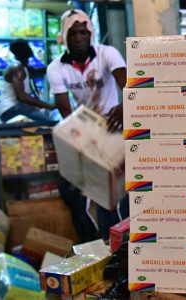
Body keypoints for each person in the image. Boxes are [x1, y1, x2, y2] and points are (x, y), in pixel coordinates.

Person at [47, 8, 128, 242]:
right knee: (78, 190)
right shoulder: (56, 68)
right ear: (64, 36)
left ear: (90, 33)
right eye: (74, 33)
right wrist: (80, 145)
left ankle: (119, 241)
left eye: (84, 32)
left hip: (115, 125)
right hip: (87, 128)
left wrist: (125, 105)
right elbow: (65, 111)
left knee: (116, 193)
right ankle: (98, 241)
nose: (80, 37)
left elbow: (129, 84)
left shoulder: (107, 53)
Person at [0, 39, 55, 123]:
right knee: (49, 123)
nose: (30, 49)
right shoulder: (17, 68)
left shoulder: (23, 67)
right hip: (11, 109)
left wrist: (59, 63)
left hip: (16, 108)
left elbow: (39, 70)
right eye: (27, 47)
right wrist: (48, 106)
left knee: (46, 118)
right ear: (22, 51)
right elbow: (22, 97)